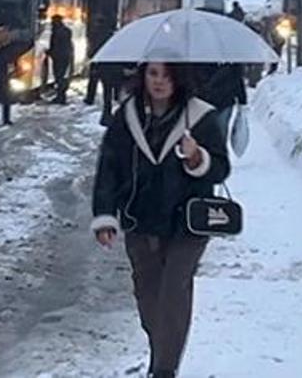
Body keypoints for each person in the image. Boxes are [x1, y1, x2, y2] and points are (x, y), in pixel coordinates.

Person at [92, 63, 232, 378]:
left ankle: (163, 370)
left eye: (167, 75)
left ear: (179, 79)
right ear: (143, 76)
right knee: (148, 298)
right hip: (139, 220)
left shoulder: (200, 116)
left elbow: (221, 168)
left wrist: (197, 157)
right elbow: (109, 168)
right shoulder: (126, 118)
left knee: (173, 292)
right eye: (153, 73)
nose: (159, 82)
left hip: (186, 225)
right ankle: (163, 350)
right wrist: (105, 215)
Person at [48, 15, 74, 105]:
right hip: (65, 56)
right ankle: (62, 96)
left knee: (59, 77)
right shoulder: (67, 31)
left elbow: (55, 46)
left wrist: (49, 52)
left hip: (58, 57)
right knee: (61, 76)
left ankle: (61, 97)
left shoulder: (56, 32)